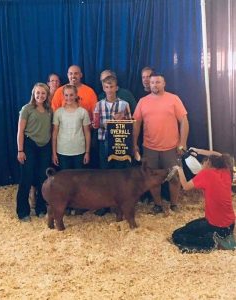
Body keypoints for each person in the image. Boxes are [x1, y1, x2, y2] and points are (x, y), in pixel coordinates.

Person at [133, 73, 189, 213]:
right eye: (152, 82)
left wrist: (182, 143)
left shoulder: (174, 99)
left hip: (171, 147)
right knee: (152, 178)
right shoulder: (143, 101)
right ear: (148, 84)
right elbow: (136, 124)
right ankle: (157, 205)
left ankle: (174, 204)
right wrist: (134, 144)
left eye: (158, 82)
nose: (154, 85)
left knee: (175, 178)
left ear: (164, 84)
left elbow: (184, 121)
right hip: (149, 148)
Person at [171, 148, 236, 253]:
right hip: (229, 225)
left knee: (177, 235)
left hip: (216, 226)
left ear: (208, 163)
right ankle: (221, 237)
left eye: (204, 162)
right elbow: (217, 154)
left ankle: (212, 242)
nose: (202, 164)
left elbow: (186, 186)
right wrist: (198, 151)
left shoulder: (206, 174)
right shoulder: (226, 170)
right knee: (189, 226)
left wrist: (180, 169)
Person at [93, 75, 132, 216]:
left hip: (120, 142)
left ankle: (121, 204)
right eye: (106, 87)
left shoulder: (124, 104)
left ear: (117, 88)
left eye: (112, 87)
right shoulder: (98, 105)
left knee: (120, 173)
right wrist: (109, 123)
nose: (109, 90)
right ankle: (105, 204)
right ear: (103, 88)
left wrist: (122, 120)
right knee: (105, 173)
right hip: (104, 141)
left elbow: (130, 124)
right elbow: (95, 125)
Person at [16, 83, 52, 222]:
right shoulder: (27, 109)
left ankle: (41, 208)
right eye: (38, 93)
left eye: (43, 93)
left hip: (45, 147)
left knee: (42, 178)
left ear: (47, 95)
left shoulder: (50, 110)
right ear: (33, 94)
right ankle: (23, 211)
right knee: (27, 178)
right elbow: (20, 131)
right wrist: (20, 150)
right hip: (29, 145)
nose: (40, 95)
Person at [29, 73, 61, 212]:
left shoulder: (54, 103)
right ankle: (32, 196)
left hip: (48, 142)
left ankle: (45, 200)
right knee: (33, 170)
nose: (54, 83)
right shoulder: (31, 106)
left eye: (56, 81)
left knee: (44, 171)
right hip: (33, 142)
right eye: (52, 81)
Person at [52, 84, 91, 170]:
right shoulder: (58, 112)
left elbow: (87, 133)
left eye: (71, 95)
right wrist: (54, 153)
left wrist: (87, 152)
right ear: (63, 96)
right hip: (62, 151)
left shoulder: (83, 112)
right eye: (66, 95)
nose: (68, 97)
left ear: (76, 95)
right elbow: (54, 133)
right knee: (64, 180)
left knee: (78, 179)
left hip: (79, 151)